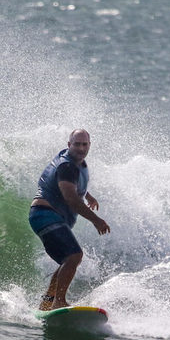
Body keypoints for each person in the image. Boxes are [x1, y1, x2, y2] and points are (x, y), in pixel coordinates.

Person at [28, 128, 110, 311]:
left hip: (47, 216)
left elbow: (72, 184)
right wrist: (96, 220)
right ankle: (59, 301)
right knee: (74, 256)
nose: (81, 148)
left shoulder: (77, 163)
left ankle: (47, 302)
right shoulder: (67, 166)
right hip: (45, 214)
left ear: (89, 145)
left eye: (85, 144)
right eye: (77, 144)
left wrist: (87, 195)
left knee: (68, 260)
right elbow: (71, 198)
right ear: (69, 145)